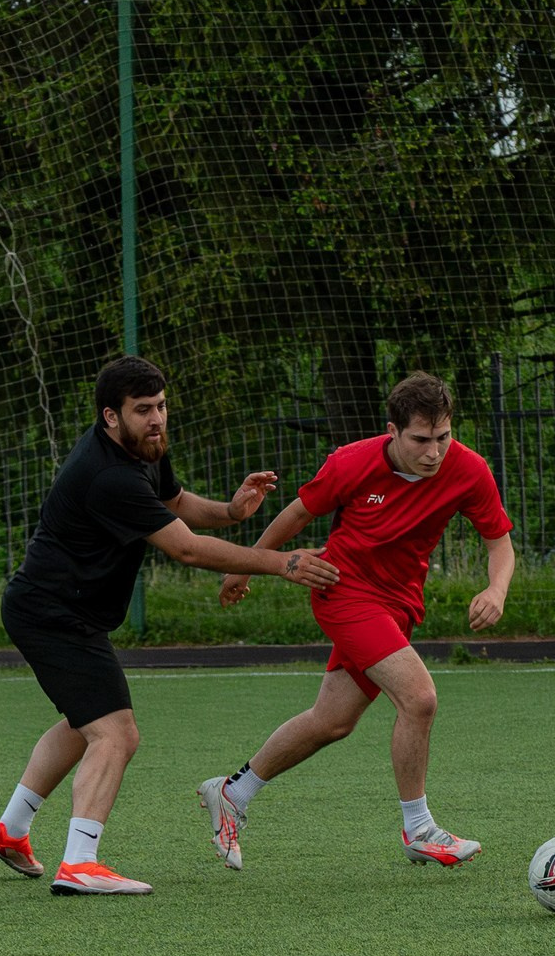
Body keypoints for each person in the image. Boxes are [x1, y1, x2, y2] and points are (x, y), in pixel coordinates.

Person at [0, 355, 337, 895]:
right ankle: (80, 862)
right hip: (52, 614)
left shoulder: (143, 447)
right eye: (143, 410)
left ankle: (10, 831)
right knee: (116, 733)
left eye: (161, 406)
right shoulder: (107, 475)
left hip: (65, 612)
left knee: (84, 723)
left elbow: (172, 502)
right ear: (111, 417)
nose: (156, 418)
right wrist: (281, 562)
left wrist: (231, 511)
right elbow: (185, 549)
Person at [196, 372, 515, 868]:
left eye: (443, 437)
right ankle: (419, 829)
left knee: (332, 722)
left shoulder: (469, 469)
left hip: (398, 604)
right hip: (342, 591)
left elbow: (499, 543)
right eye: (421, 439)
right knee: (420, 698)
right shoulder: (351, 462)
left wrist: (496, 589)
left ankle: (232, 793)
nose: (434, 451)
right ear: (393, 431)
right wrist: (244, 566)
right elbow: (297, 515)